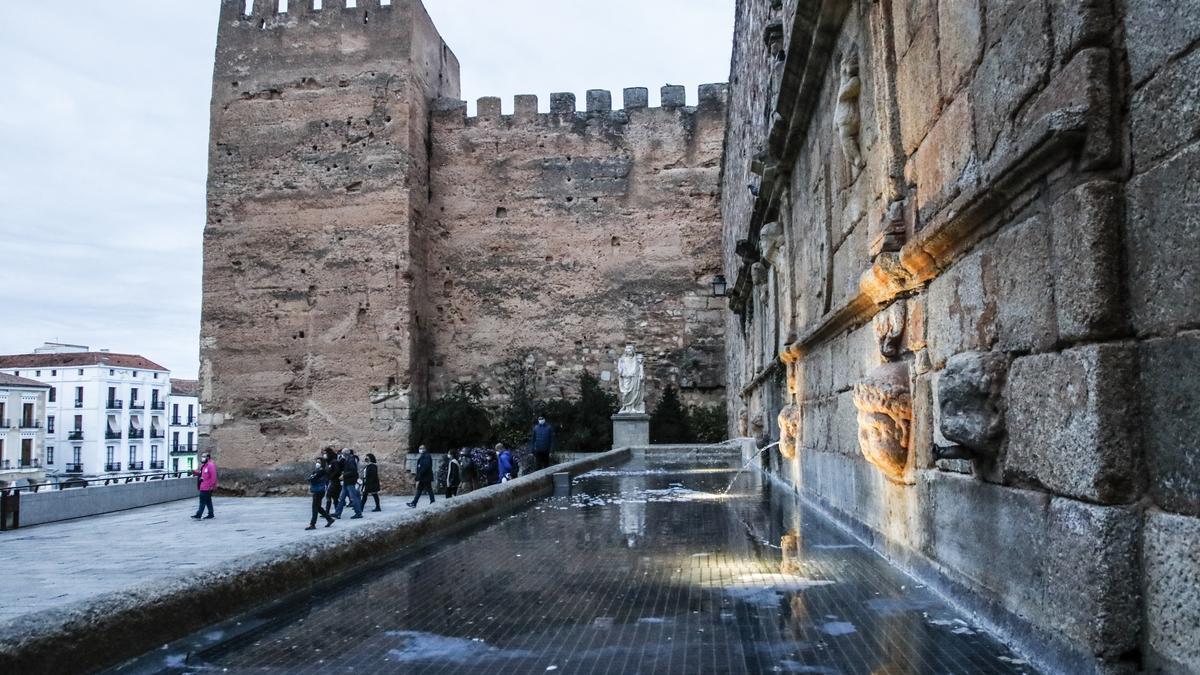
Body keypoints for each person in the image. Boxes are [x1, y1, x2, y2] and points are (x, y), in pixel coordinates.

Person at [306, 457, 335, 530]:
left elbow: (312, 478)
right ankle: (329, 519)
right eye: (317, 462)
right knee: (318, 507)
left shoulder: (321, 471)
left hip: (318, 491)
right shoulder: (319, 471)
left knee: (315, 508)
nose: (317, 463)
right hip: (319, 490)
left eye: (319, 462)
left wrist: (311, 477)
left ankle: (312, 524)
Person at [335, 448, 364, 519]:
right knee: (342, 498)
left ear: (345, 454)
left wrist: (344, 475)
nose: (342, 455)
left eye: (342, 453)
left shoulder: (350, 460)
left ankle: (358, 513)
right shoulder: (348, 460)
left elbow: (353, 471)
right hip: (347, 481)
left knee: (353, 498)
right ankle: (337, 513)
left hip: (350, 482)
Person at [190, 452, 218, 520]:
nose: (202, 458)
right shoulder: (204, 465)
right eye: (202, 456)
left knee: (202, 501)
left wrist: (211, 486)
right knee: (208, 501)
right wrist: (195, 472)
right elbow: (201, 473)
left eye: (204, 456)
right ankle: (211, 514)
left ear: (208, 458)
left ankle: (198, 515)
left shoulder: (210, 465)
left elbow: (213, 477)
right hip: (203, 486)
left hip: (207, 487)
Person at [322, 447, 342, 515]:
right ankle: (336, 512)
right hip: (332, 481)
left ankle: (329, 512)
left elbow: (337, 471)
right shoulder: (329, 462)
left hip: (334, 482)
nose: (324, 455)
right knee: (334, 497)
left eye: (325, 453)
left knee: (329, 496)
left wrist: (331, 477)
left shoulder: (334, 461)